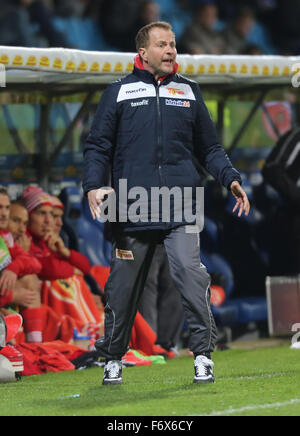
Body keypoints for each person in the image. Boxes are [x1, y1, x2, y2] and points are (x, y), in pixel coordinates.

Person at [83, 21, 250, 385]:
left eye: (173, 44)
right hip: (130, 205)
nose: (171, 50)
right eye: (162, 45)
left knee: (192, 276)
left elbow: (209, 148)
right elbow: (98, 146)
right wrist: (94, 186)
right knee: (123, 290)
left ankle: (203, 356)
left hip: (181, 203)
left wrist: (230, 177)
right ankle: (112, 357)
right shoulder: (117, 92)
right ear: (143, 52)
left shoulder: (190, 91)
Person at [0, 188, 43, 343]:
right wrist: (12, 297)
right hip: (6, 302)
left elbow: (35, 264)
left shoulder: (5, 238)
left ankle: (35, 345)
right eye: (0, 208)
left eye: (6, 208)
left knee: (31, 279)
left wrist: (14, 268)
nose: (4, 213)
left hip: (7, 305)